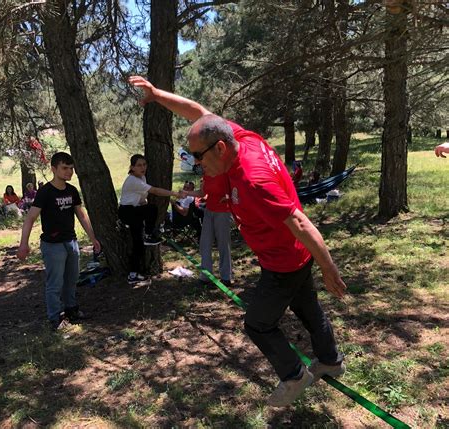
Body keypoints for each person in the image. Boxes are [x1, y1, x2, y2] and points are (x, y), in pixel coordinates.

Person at [129, 76, 346, 407]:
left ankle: (293, 376)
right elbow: (197, 112)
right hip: (294, 254)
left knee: (257, 324)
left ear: (218, 148)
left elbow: (300, 222)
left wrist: (329, 268)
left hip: (283, 259)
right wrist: (157, 95)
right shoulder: (235, 137)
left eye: (198, 157)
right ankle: (330, 360)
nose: (196, 164)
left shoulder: (253, 179)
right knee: (307, 308)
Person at [16, 152, 101, 331]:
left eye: (71, 168)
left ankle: (71, 310)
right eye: (64, 168)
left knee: (71, 279)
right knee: (55, 283)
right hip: (52, 245)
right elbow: (30, 218)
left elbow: (81, 214)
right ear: (54, 169)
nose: (69, 172)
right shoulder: (45, 192)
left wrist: (92, 237)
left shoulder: (72, 190)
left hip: (71, 241)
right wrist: (23, 243)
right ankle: (55, 317)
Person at [119, 154, 184, 285]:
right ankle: (149, 235)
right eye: (139, 165)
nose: (143, 167)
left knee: (138, 244)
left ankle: (133, 274)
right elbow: (155, 191)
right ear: (132, 167)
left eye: (144, 164)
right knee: (152, 208)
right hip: (127, 212)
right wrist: (175, 193)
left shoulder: (142, 177)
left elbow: (142, 198)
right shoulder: (133, 180)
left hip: (134, 211)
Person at [185, 175, 233, 287]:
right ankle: (206, 276)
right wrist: (186, 192)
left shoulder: (224, 173)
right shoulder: (206, 174)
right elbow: (202, 193)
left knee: (223, 244)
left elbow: (236, 189)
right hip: (209, 211)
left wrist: (228, 196)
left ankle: (226, 277)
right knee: (204, 243)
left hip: (222, 211)